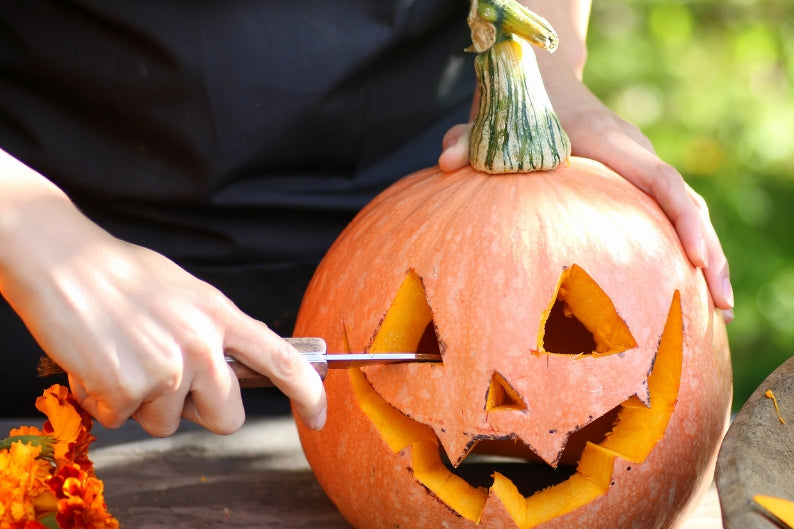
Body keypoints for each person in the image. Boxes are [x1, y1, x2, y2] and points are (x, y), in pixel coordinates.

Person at [0, 1, 732, 438]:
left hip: (424, 223)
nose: (504, 397)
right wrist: (35, 235)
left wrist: (543, 75)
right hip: (51, 304)